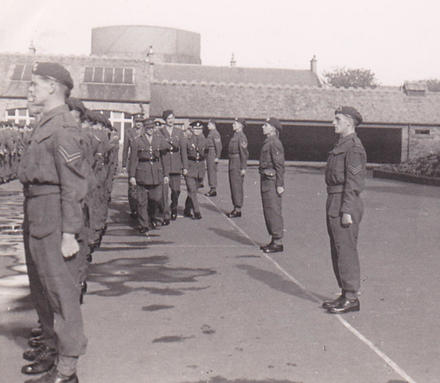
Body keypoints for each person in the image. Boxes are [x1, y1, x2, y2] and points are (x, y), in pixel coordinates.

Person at [19, 62, 87, 383]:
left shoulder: (64, 127)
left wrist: (70, 232)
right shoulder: (45, 122)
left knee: (61, 294)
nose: (29, 90)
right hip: (37, 212)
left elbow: (73, 184)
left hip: (55, 216)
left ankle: (66, 372)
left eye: (34, 84)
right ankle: (51, 350)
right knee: (42, 290)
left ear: (52, 86)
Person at [322, 106, 367, 314]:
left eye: (337, 119)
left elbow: (354, 182)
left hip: (344, 202)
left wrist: (347, 210)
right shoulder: (341, 144)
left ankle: (351, 297)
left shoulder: (354, 148)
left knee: (346, 250)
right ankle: (344, 292)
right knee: (337, 250)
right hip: (334, 199)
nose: (333, 123)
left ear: (349, 122)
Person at [129, 119, 170, 233]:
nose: (150, 130)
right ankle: (143, 224)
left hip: (156, 172)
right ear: (144, 129)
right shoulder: (137, 141)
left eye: (152, 128)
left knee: (156, 198)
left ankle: (154, 218)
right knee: (142, 201)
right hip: (142, 171)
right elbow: (133, 160)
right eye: (148, 128)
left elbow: (164, 158)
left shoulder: (160, 140)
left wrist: (166, 174)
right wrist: (132, 176)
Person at [259, 118, 285, 253]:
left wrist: (280, 184)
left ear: (273, 129)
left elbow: (279, 164)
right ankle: (274, 239)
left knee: (273, 209)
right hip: (266, 179)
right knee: (268, 210)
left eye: (266, 125)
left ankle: (278, 241)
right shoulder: (269, 142)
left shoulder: (274, 143)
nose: (263, 127)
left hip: (271, 181)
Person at [159, 110, 188, 221]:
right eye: (168, 118)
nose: (171, 120)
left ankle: (174, 207)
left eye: (172, 118)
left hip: (176, 166)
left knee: (176, 191)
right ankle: (166, 214)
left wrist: (185, 167)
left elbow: (183, 150)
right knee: (164, 193)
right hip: (165, 165)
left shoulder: (179, 132)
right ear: (165, 120)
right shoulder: (160, 132)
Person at [122, 113, 144, 219]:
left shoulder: (146, 132)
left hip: (144, 161)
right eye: (137, 121)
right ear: (134, 122)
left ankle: (142, 208)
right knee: (132, 187)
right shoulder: (129, 132)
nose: (139, 124)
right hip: (133, 162)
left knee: (142, 185)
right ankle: (133, 208)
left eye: (140, 122)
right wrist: (124, 164)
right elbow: (126, 148)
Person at [184, 121, 207, 219]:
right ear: (192, 129)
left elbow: (207, 154)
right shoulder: (187, 140)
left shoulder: (205, 140)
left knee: (193, 190)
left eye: (200, 129)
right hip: (190, 167)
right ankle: (197, 211)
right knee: (192, 190)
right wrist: (184, 168)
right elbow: (184, 155)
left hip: (200, 168)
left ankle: (187, 209)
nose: (198, 131)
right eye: (196, 129)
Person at [227, 118, 248, 218]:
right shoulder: (235, 136)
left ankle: (238, 208)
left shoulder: (242, 137)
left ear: (240, 125)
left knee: (237, 186)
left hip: (237, 163)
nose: (233, 125)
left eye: (235, 123)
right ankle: (235, 206)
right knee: (233, 185)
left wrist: (243, 167)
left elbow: (244, 153)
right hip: (232, 162)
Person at [204, 119, 222, 197]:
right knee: (209, 170)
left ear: (213, 125)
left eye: (209, 124)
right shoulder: (211, 133)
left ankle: (213, 189)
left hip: (212, 153)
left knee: (212, 171)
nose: (208, 126)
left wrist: (217, 156)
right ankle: (211, 187)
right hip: (209, 153)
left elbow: (218, 146)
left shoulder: (215, 133)